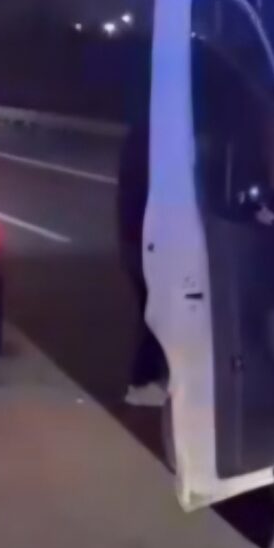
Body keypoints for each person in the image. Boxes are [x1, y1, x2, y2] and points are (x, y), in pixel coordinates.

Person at [116, 86, 167, 407]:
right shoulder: (151, 140)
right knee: (156, 313)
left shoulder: (140, 135)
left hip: (136, 241)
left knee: (154, 311)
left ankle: (147, 379)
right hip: (145, 242)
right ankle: (142, 382)